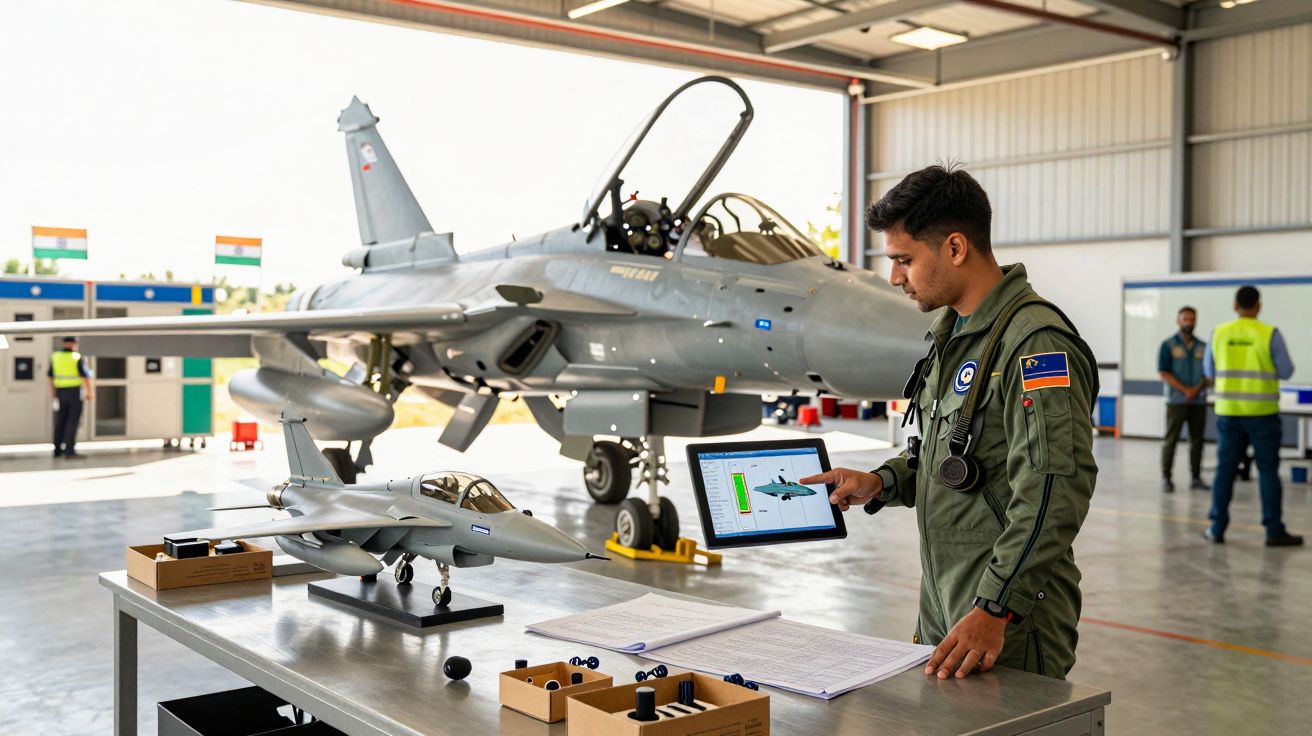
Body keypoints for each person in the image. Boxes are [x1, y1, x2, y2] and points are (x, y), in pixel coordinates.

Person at [801, 164, 1098, 681]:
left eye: (904, 260)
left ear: (956, 247)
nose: (895, 277)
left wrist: (995, 608)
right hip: (950, 607)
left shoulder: (1035, 345)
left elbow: (1053, 491)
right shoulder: (954, 338)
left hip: (1007, 622)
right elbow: (952, 455)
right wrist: (881, 481)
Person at [1204, 286, 1302, 547]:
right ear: (1258, 306)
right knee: (1268, 471)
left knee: (1225, 470)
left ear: (1235, 306)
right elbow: (1286, 371)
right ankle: (1274, 531)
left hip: (1229, 413)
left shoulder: (1218, 333)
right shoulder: (1270, 333)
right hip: (1262, 414)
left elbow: (1209, 371)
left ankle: (1216, 528)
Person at [1158, 306, 1209, 493]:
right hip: (1176, 401)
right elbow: (1164, 372)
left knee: (1197, 440)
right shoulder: (1168, 345)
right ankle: (1166, 478)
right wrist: (1185, 390)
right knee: (1171, 439)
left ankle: (1196, 477)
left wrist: (1196, 389)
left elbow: (1209, 374)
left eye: (1192, 319)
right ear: (1178, 320)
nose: (1189, 322)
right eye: (1185, 319)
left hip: (1198, 401)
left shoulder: (1203, 346)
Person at [48, 335, 92, 458]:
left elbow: (50, 377)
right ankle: (69, 451)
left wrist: (53, 395)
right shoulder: (76, 357)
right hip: (74, 392)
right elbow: (85, 376)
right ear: (74, 344)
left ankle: (57, 450)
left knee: (60, 421)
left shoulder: (55, 356)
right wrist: (89, 392)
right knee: (72, 421)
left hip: (60, 392)